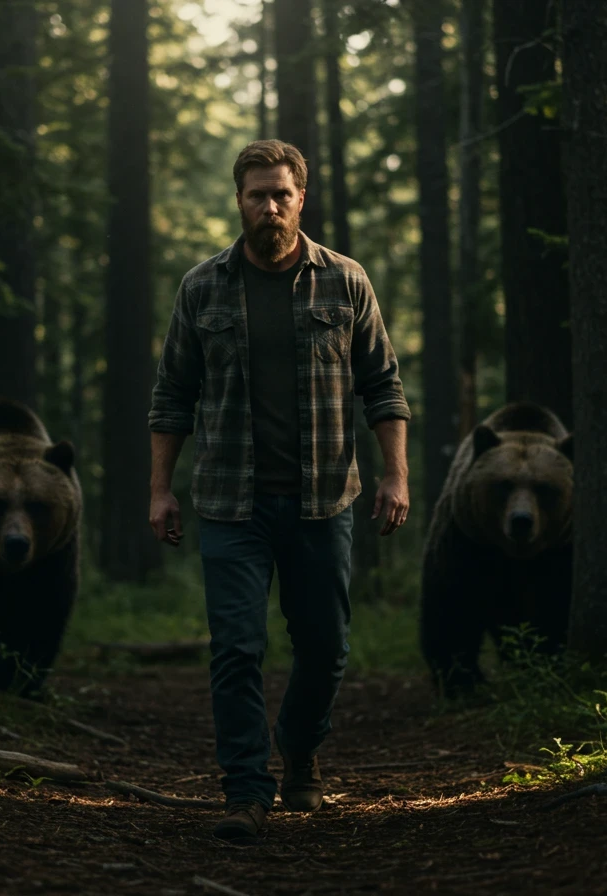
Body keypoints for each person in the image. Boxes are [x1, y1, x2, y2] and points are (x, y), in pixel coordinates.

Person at [146, 139, 411, 844]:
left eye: (281, 194)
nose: (270, 206)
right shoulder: (202, 287)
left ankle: (298, 747)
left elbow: (383, 385)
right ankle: (244, 790)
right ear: (238, 200)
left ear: (301, 199)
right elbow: (172, 395)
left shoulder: (345, 281)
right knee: (236, 648)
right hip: (230, 502)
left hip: (324, 500)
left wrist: (396, 474)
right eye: (257, 194)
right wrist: (161, 490)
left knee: (326, 648)